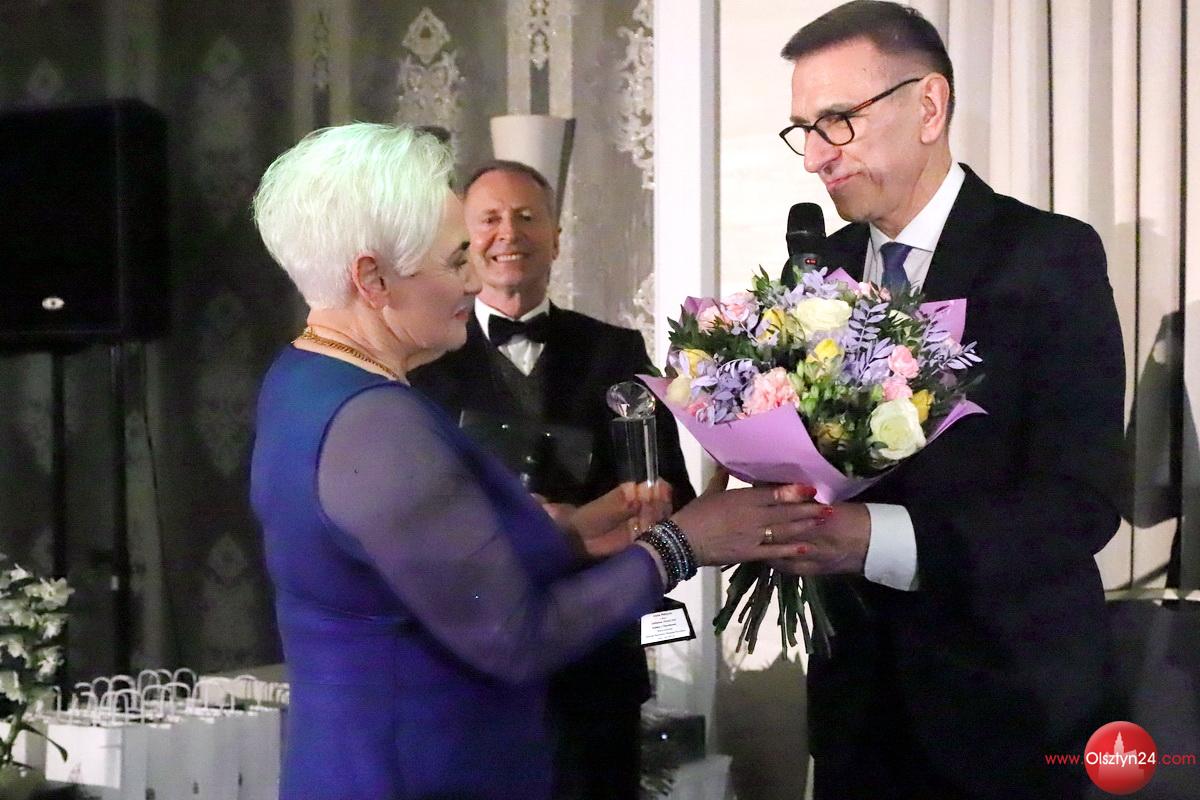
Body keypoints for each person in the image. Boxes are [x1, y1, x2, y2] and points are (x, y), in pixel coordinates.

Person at [249, 122, 825, 800]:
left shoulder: (306, 375)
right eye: (456, 260)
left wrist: (570, 536)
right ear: (372, 280)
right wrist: (681, 544)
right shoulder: (376, 424)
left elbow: (411, 570)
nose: (476, 278)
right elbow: (515, 637)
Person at [769, 3, 1125, 798]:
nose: (815, 157)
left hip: (1011, 711)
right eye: (804, 130)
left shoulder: (1048, 257)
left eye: (838, 121)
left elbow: (1081, 501)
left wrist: (876, 538)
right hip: (857, 714)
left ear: (929, 106)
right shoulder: (817, 271)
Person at [411, 160, 693, 800]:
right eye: (489, 219)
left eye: (526, 216)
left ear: (557, 237)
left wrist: (637, 510)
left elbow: (673, 490)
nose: (508, 233)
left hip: (597, 667)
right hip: (473, 668)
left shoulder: (616, 351)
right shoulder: (426, 362)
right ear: (464, 242)